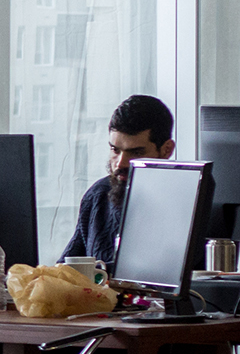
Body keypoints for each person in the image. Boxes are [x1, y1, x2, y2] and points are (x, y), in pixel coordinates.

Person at [62, 94, 176, 268]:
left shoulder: (182, 202)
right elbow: (66, 269)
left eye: (136, 153)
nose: (121, 163)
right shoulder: (98, 194)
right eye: (115, 150)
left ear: (166, 150)